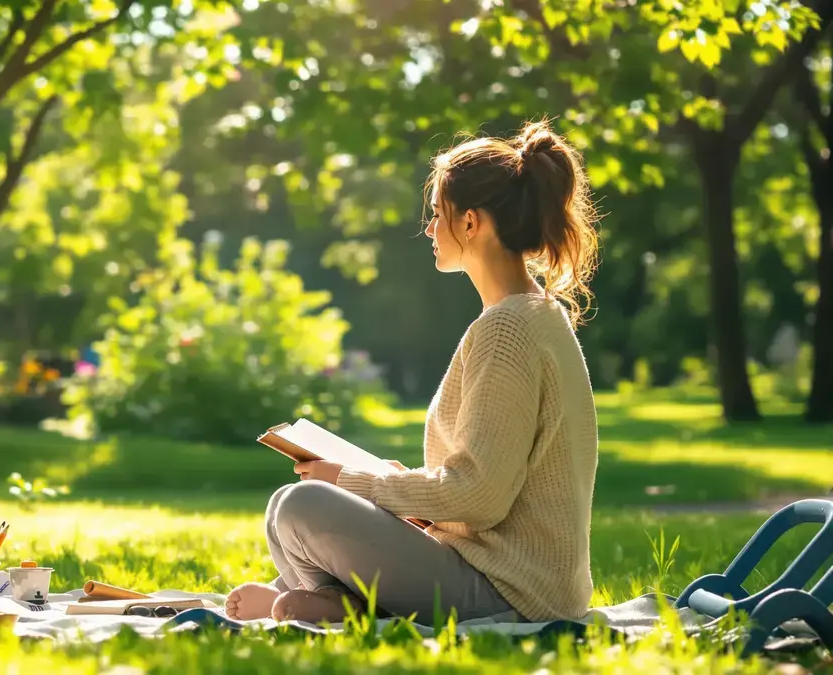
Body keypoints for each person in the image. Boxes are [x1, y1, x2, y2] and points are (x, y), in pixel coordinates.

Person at [225, 119, 601, 626]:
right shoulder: (534, 315)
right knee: (290, 507)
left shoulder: (507, 329)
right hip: (506, 576)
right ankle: (331, 599)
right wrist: (391, 480)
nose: (429, 229)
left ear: (471, 223)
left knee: (299, 506)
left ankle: (336, 601)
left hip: (510, 593)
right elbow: (488, 483)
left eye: (438, 215)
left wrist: (352, 480)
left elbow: (480, 497)